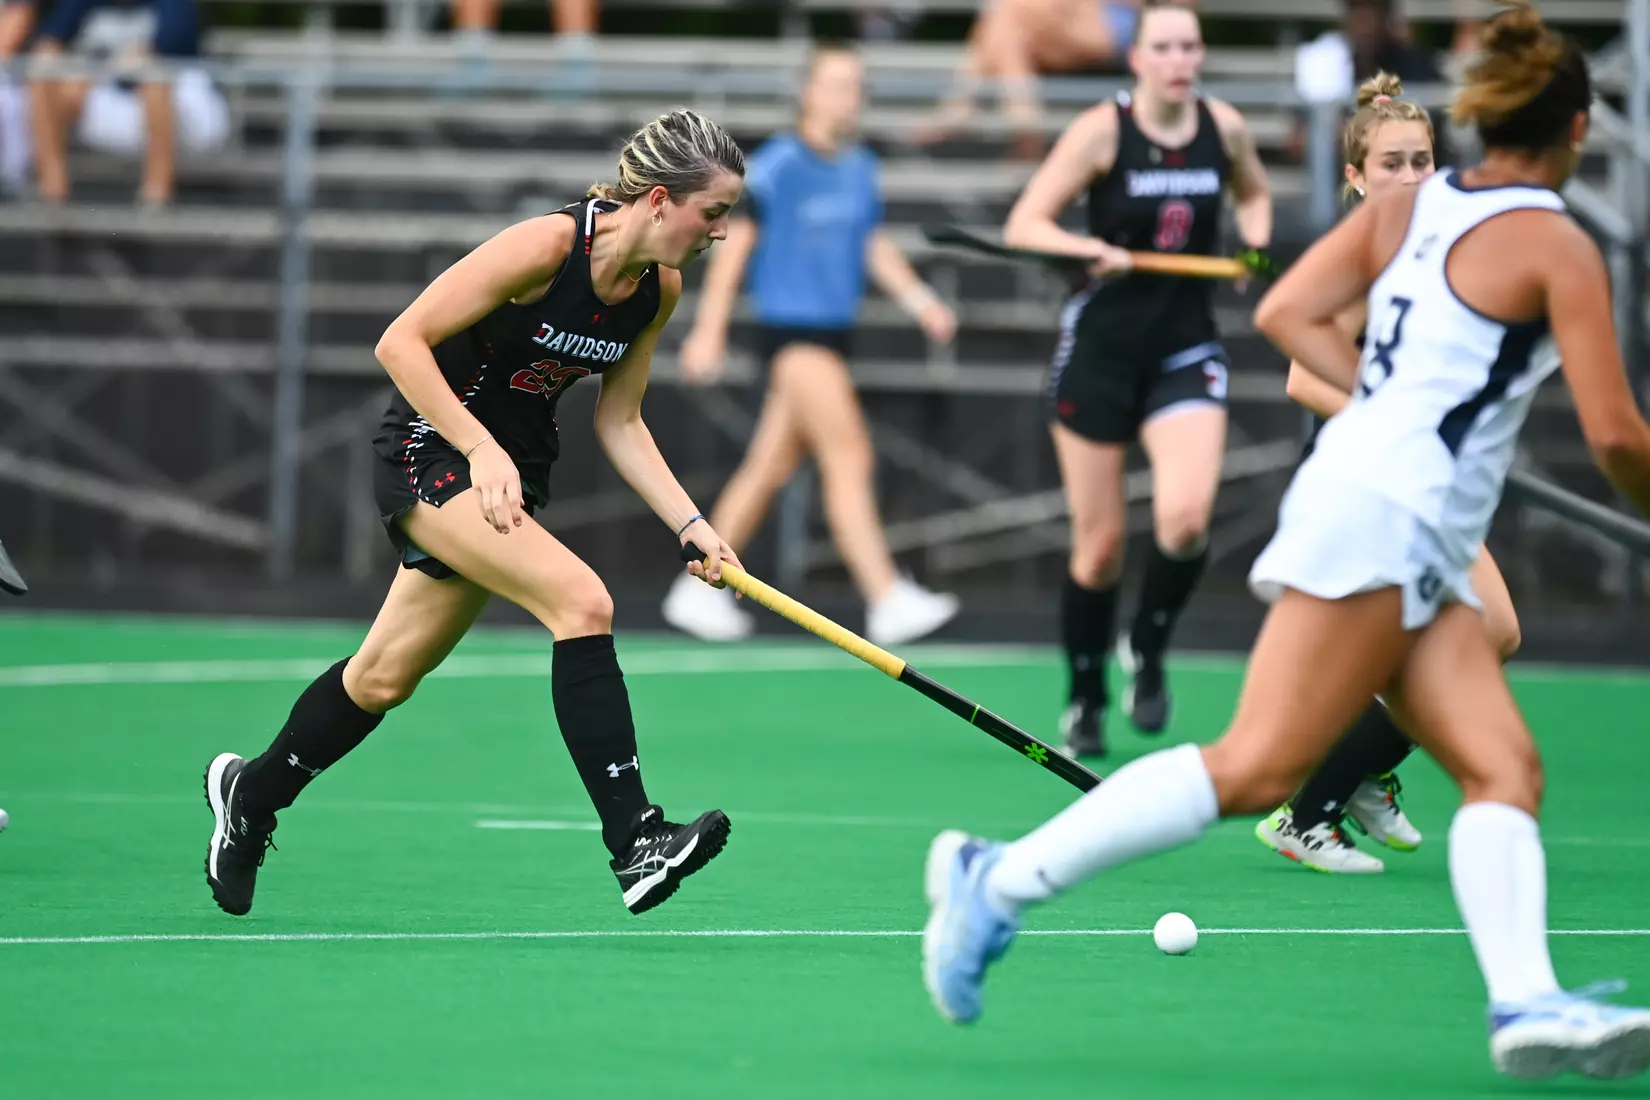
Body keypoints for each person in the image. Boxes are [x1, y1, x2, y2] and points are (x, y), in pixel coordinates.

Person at [921, 6, 1650, 1079]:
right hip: (1385, 516)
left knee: (1505, 766)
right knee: (1255, 766)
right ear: (1578, 129)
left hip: (1405, 516)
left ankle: (1523, 1001)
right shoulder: (1557, 243)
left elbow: (1290, 313)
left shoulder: (1412, 206)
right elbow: (1618, 433)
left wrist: (1389, 406)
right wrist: (1411, 421)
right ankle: (997, 880)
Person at [204, 110, 747, 920]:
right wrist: (478, 446)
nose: (721, 235)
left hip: (508, 475)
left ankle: (252, 793)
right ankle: (636, 838)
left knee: (383, 678)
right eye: (714, 215)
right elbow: (401, 342)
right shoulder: (546, 248)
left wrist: (690, 524)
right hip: (432, 449)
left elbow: (621, 421)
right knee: (582, 601)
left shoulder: (655, 290)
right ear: (662, 201)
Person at [1254, 73, 1521, 875]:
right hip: (1371, 481)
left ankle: (1357, 775)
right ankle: (1309, 812)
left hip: (1421, 480)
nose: (1410, 177)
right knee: (1486, 631)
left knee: (1467, 637)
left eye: (1423, 161)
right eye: (1393, 163)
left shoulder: (1432, 245)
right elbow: (1304, 379)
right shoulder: (1362, 253)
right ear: (1355, 176)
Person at [999, 0, 1271, 758]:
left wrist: (1253, 245)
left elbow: (1253, 195)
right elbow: (1026, 225)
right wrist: (1089, 248)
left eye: (1191, 46)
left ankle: (1147, 649)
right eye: (1165, 47)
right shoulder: (1101, 131)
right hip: (1102, 353)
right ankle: (1085, 696)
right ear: (1138, 58)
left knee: (1186, 520)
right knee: (1101, 549)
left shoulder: (1225, 128)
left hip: (1185, 348)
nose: (1180, 59)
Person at [661, 42, 962, 648]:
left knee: (768, 468)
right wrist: (709, 331)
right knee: (849, 454)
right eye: (836, 84)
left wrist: (920, 301)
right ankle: (884, 597)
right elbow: (734, 250)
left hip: (834, 334)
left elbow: (870, 243)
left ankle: (697, 589)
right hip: (792, 338)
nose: (849, 97)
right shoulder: (776, 167)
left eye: (857, 85)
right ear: (809, 92)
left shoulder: (860, 167)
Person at [26, 0, 209, 205]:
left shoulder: (174, 5)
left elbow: (151, 56)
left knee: (155, 78)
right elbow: (47, 48)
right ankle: (53, 190)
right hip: (113, 100)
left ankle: (157, 195)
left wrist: (109, 68)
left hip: (182, 110)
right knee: (44, 76)